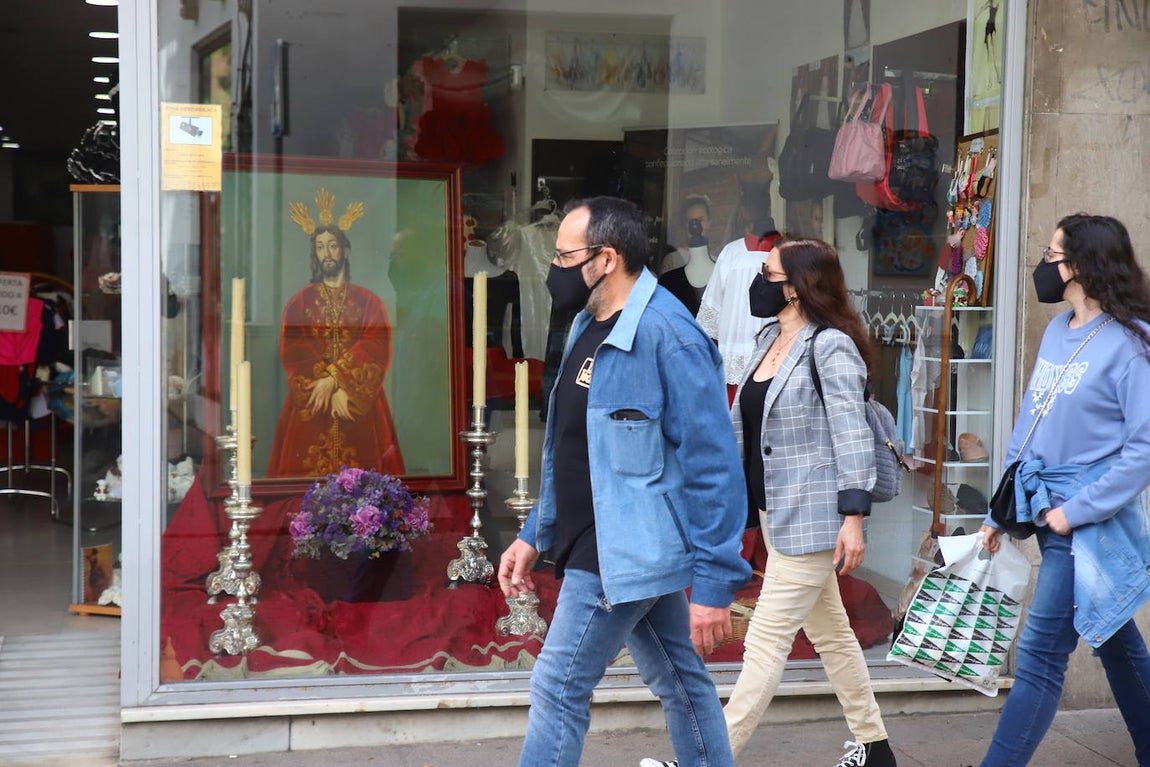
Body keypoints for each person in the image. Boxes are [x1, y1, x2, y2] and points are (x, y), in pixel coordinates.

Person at [498, 195, 751, 767]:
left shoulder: (670, 336)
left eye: (564, 256)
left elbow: (715, 468)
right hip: (616, 542)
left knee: (557, 688)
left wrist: (714, 587)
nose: (553, 269)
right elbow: (573, 451)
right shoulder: (588, 323)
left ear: (606, 258)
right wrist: (534, 531)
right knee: (682, 684)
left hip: (618, 552)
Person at [644, 238, 897, 767]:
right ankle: (874, 747)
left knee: (764, 643)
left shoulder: (829, 345)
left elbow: (850, 434)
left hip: (814, 515)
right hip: (774, 510)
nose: (760, 281)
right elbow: (744, 429)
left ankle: (708, 759)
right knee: (832, 634)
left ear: (799, 286)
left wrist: (853, 517)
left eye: (770, 273)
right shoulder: (767, 337)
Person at [977, 214, 1150, 767]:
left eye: (1052, 255)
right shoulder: (1057, 330)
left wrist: (1074, 513)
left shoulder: (1133, 344)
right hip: (1046, 505)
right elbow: (1030, 424)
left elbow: (1143, 450)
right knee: (1117, 644)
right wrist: (997, 511)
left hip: (1086, 521)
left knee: (1039, 654)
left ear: (1081, 265)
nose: (1044, 265)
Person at [266, 190, 404, 478]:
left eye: (333, 246)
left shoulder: (369, 301)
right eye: (320, 247)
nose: (327, 253)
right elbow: (294, 349)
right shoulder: (300, 301)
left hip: (358, 406)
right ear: (314, 254)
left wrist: (337, 382)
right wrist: (324, 386)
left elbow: (375, 345)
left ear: (345, 250)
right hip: (311, 402)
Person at [697, 227, 782, 404]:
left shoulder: (787, 254)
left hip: (775, 354)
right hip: (733, 357)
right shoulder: (731, 252)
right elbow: (711, 320)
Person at [659, 194, 717, 314]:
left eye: (700, 220)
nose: (695, 226)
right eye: (690, 221)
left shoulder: (719, 264)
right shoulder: (672, 260)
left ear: (709, 223)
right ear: (685, 225)